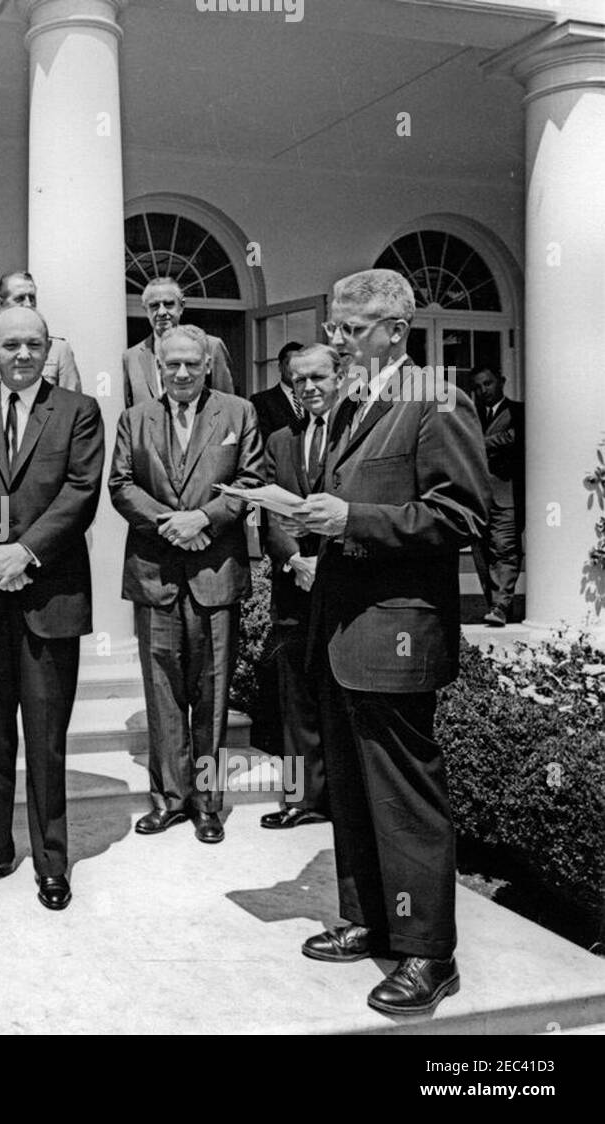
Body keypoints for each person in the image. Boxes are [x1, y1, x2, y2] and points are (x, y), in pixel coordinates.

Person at [287, 268, 488, 1016]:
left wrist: (353, 522)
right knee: (352, 786)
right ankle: (371, 918)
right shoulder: (352, 405)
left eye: (350, 328)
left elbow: (461, 515)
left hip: (397, 634)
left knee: (404, 797)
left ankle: (428, 953)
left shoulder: (435, 398)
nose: (336, 342)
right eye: (334, 327)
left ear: (396, 330)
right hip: (342, 632)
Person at [0, 305, 104, 911]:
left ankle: (51, 859)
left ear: (48, 348)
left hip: (49, 595)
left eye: (33, 344)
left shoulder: (78, 411)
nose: (22, 355)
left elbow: (81, 493)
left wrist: (25, 553)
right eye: (10, 345)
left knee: (46, 735)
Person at [109, 324, 263, 844]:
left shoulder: (238, 413)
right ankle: (169, 800)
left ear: (206, 366)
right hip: (155, 576)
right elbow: (121, 484)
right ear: (159, 368)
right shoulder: (135, 418)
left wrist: (203, 519)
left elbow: (250, 482)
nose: (180, 373)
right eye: (171, 364)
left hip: (214, 575)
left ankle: (207, 804)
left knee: (212, 693)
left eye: (190, 365)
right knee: (162, 692)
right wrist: (169, 523)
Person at [257, 344, 340, 831]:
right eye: (297, 380)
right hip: (293, 586)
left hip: (341, 585)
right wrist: (294, 559)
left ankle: (342, 798)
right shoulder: (280, 442)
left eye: (318, 377)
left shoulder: (353, 435)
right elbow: (270, 514)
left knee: (340, 694)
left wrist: (322, 564)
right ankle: (302, 799)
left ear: (339, 378)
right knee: (296, 697)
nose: (308, 387)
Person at [0, 271, 81, 399]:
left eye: (32, 298)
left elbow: (72, 405)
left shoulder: (58, 349)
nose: (28, 304)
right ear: (0, 303)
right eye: (20, 298)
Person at [123, 277, 234, 406]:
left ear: (181, 306)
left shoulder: (211, 347)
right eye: (154, 306)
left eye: (169, 304)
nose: (162, 312)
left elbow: (227, 406)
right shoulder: (132, 357)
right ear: (145, 310)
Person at [471, 366, 524, 627]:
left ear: (501, 382)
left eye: (488, 383)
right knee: (481, 553)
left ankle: (501, 606)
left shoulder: (519, 411)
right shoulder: (470, 414)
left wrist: (478, 443)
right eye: (478, 386)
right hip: (477, 497)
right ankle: (496, 605)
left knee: (504, 549)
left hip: (506, 495)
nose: (483, 390)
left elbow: (514, 438)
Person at [249, 340, 306, 440]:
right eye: (290, 363)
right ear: (280, 367)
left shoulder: (313, 397)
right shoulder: (261, 401)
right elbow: (265, 440)